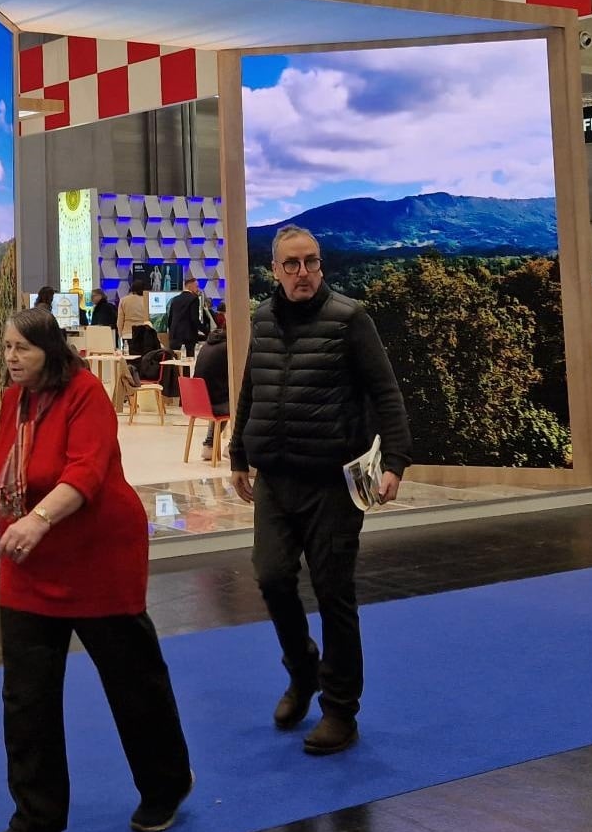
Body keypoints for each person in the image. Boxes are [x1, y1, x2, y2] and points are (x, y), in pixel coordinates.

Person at [0, 307, 193, 832]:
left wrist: (38, 520)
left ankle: (166, 785)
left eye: (22, 348)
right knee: (26, 698)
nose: (11, 358)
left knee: (132, 682)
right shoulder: (13, 402)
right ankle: (36, 817)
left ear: (50, 349)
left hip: (99, 560)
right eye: (6, 347)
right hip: (30, 565)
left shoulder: (85, 393)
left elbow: (86, 472)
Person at [230, 226, 411, 756]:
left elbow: (386, 393)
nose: (303, 272)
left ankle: (340, 710)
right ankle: (302, 669)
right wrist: (238, 452)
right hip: (275, 479)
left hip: (333, 483)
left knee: (334, 595)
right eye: (291, 264)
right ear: (275, 269)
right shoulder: (263, 318)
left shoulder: (350, 318)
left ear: (321, 265)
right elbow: (251, 388)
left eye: (310, 261)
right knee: (271, 578)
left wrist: (396, 462)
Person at [192, 324, 229, 452]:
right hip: (214, 404)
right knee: (242, 404)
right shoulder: (228, 348)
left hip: (197, 403)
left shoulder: (207, 345)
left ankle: (209, 444)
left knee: (220, 397)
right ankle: (234, 446)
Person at [165, 284, 208, 356]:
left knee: (176, 360)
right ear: (190, 286)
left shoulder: (174, 299)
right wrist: (207, 332)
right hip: (188, 339)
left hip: (174, 338)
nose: (197, 289)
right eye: (196, 286)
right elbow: (194, 319)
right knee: (188, 361)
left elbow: (170, 319)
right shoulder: (194, 299)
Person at [115, 281, 151, 346]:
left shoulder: (124, 300)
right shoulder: (147, 300)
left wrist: (120, 334)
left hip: (127, 334)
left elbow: (120, 321)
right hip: (143, 334)